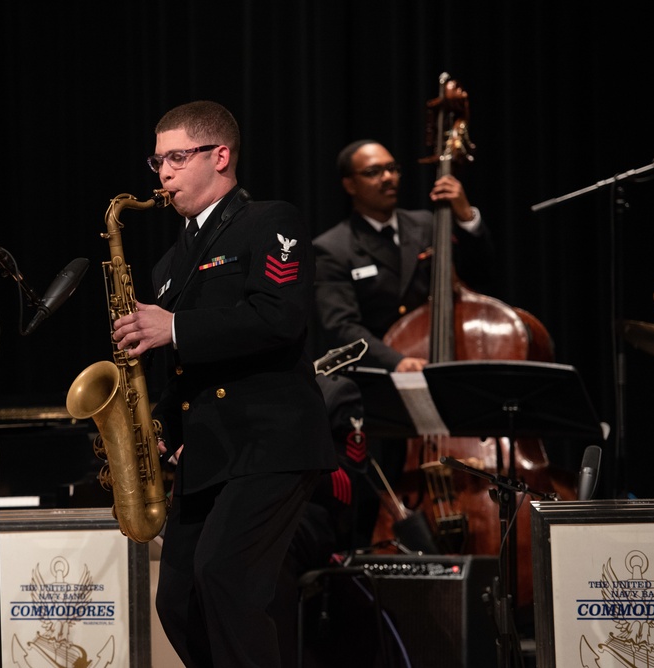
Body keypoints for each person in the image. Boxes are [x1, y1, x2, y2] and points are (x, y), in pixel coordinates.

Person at [111, 100, 337, 667]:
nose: (163, 173)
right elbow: (187, 370)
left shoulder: (270, 220)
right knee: (178, 600)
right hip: (209, 452)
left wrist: (175, 327)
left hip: (270, 442)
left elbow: (279, 317)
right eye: (157, 160)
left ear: (220, 156)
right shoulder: (168, 263)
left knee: (227, 580)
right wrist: (158, 419)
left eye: (177, 158)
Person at [308, 138, 496, 553]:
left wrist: (465, 217)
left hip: (444, 390)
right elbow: (342, 328)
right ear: (350, 184)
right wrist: (397, 361)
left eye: (393, 168)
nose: (388, 177)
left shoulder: (430, 225)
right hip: (379, 400)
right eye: (374, 172)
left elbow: (482, 280)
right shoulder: (332, 248)